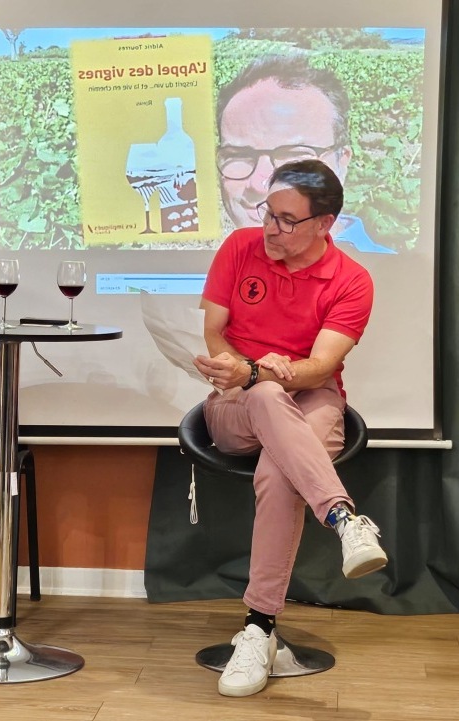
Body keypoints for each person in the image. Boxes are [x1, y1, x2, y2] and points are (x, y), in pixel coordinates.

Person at [193, 158, 388, 698]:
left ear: (324, 224)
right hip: (235, 401)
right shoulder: (239, 249)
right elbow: (215, 333)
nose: (269, 229)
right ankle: (344, 518)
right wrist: (247, 373)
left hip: (313, 400)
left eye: (285, 220)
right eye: (267, 214)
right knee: (268, 394)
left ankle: (258, 628)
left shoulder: (351, 281)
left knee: (280, 477)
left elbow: (322, 368)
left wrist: (264, 372)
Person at [215, 53, 396, 254]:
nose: (260, 185)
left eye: (293, 157)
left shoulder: (394, 276)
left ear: (341, 164)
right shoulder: (222, 271)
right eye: (239, 155)